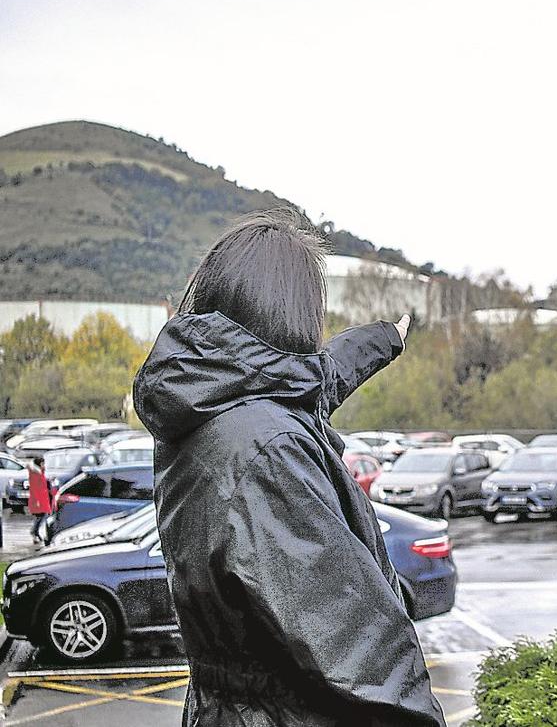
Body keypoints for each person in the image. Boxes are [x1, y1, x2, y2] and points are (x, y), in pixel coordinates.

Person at [133, 210, 444, 727]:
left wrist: (380, 340)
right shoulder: (267, 450)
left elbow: (300, 383)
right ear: (292, 315)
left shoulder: (207, 402)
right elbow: (360, 651)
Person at [27, 456, 51, 545]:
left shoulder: (40, 472)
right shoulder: (35, 474)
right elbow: (35, 487)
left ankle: (35, 533)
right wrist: (37, 500)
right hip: (38, 498)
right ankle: (34, 532)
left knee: (41, 516)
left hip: (42, 498)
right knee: (40, 516)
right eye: (42, 463)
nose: (43, 465)